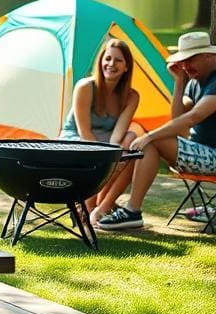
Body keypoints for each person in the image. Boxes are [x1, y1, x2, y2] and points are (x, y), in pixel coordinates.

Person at [98, 31, 216, 231]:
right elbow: (179, 118)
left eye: (190, 59)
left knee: (151, 140)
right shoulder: (194, 80)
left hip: (213, 155)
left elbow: (193, 117)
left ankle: (132, 211)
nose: (185, 66)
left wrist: (149, 136)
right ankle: (130, 210)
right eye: (182, 60)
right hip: (200, 151)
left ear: (208, 56)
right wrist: (180, 81)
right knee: (149, 141)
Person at [59, 38, 140, 224]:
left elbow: (117, 135)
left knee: (132, 142)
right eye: (108, 58)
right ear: (101, 61)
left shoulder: (131, 96)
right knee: (106, 156)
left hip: (106, 141)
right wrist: (107, 157)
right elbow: (84, 131)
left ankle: (103, 206)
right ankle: (90, 208)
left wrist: (114, 156)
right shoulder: (85, 87)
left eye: (118, 60)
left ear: (126, 66)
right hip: (78, 138)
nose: (111, 64)